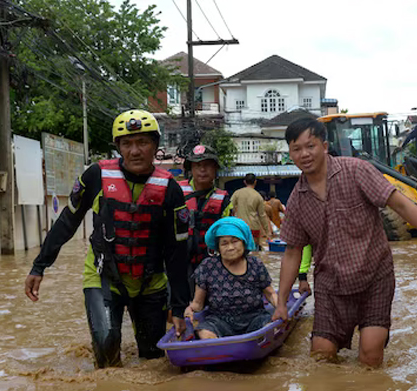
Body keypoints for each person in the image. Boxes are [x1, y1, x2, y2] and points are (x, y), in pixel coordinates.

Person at [273, 117, 417, 368]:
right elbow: (292, 252)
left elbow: (402, 205)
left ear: (324, 146)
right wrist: (281, 303)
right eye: (296, 149)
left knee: (370, 358)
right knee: (321, 357)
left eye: (310, 146)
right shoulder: (297, 200)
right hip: (331, 285)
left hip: (374, 278)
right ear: (290, 154)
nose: (304, 154)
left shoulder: (356, 171)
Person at [23, 109, 191, 368]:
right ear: (118, 148)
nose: (135, 151)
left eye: (143, 142)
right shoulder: (95, 176)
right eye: (127, 144)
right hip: (102, 276)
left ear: (156, 146)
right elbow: (68, 221)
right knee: (106, 347)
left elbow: (177, 251)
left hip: (150, 282)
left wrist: (179, 307)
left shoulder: (171, 190)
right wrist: (39, 266)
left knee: (153, 360)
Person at [183, 217, 277, 339]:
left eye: (235, 241)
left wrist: (280, 307)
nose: (230, 247)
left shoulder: (255, 264)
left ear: (243, 242)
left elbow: (270, 294)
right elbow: (198, 303)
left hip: (255, 317)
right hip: (220, 321)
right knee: (204, 333)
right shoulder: (208, 266)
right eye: (224, 243)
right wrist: (189, 310)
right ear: (218, 247)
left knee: (270, 328)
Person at [179, 144, 232, 275]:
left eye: (207, 165)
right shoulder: (176, 192)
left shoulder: (224, 200)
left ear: (215, 169)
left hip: (211, 265)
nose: (202, 170)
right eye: (197, 165)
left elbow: (229, 236)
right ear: (191, 169)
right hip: (179, 263)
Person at [230, 173, 272, 248]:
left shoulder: (237, 193)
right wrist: (267, 232)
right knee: (253, 249)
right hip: (254, 227)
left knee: (241, 248)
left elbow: (229, 208)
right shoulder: (258, 196)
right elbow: (262, 215)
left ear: (244, 182)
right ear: (255, 182)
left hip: (240, 226)